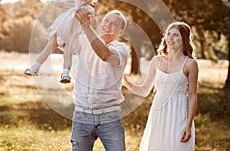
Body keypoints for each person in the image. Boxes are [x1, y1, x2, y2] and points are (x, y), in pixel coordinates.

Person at [123, 21, 198, 151]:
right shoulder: (157, 61)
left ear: (184, 39)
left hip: (180, 113)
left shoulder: (190, 64)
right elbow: (144, 90)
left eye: (175, 35)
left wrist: (188, 124)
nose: (170, 38)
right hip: (159, 113)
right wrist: (126, 82)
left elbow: (192, 96)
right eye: (168, 34)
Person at [70, 8, 129, 150]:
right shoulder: (83, 41)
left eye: (114, 23)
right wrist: (72, 15)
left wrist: (86, 26)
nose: (108, 24)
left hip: (109, 116)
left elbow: (104, 54)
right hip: (81, 115)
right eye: (106, 20)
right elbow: (61, 40)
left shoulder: (122, 49)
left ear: (120, 32)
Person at [24, 0, 98, 83]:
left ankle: (65, 74)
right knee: (48, 49)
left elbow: (94, 25)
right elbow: (56, 3)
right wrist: (61, 4)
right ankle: (35, 67)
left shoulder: (89, 9)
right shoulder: (71, 1)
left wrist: (92, 19)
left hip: (71, 36)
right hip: (59, 31)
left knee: (67, 55)